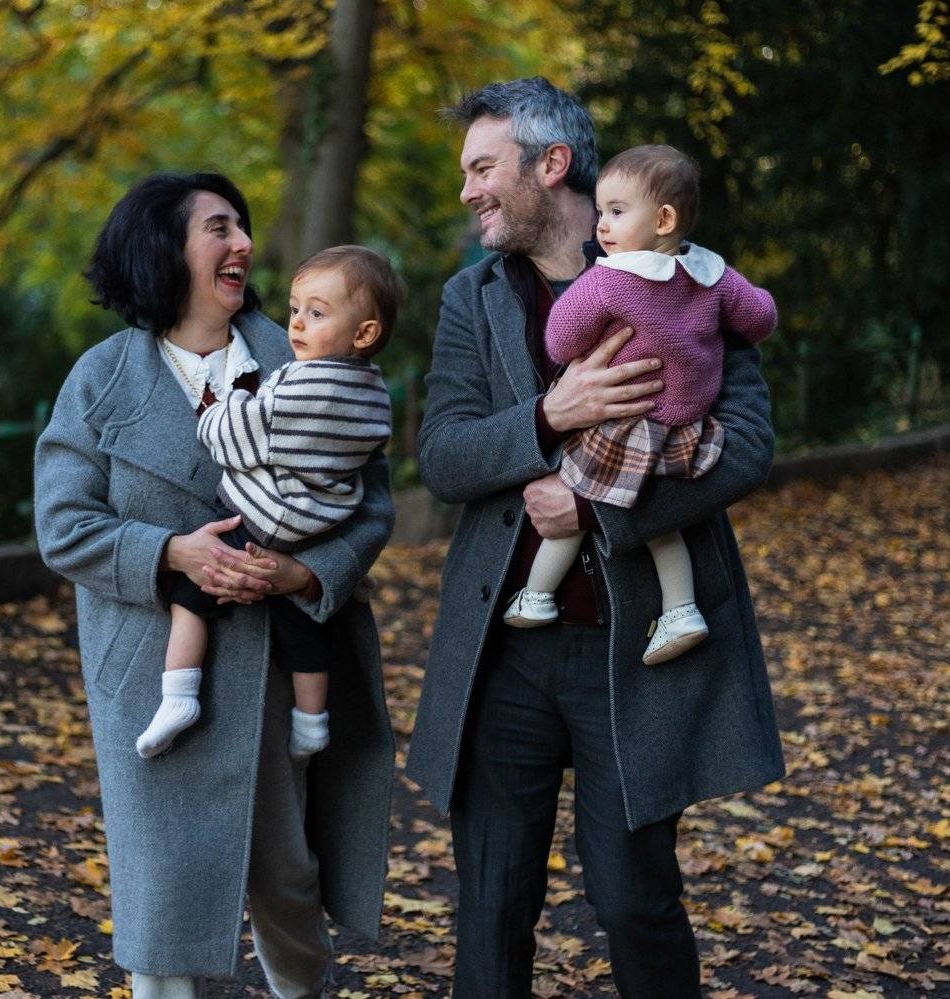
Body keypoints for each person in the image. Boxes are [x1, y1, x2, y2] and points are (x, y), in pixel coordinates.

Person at [404, 77, 786, 998]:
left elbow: (746, 445)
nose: (467, 190)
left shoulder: (690, 278)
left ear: (552, 164)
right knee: (492, 903)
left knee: (634, 901)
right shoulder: (471, 297)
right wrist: (550, 415)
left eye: (482, 168)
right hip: (505, 647)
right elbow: (442, 455)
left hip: (640, 641)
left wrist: (597, 507)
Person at [34, 172, 395, 999]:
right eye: (219, 227)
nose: (243, 244)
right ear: (164, 249)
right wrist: (172, 553)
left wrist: (304, 572)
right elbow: (63, 525)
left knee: (288, 875)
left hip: (280, 665)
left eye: (242, 226)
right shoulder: (99, 377)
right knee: (159, 896)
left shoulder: (309, 352)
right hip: (152, 676)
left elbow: (372, 505)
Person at [501, 144, 777, 671]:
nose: (602, 226)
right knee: (659, 526)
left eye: (617, 211)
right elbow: (760, 318)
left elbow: (560, 340)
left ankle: (536, 596)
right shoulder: (712, 275)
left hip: (624, 425)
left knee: (573, 495)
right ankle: (682, 610)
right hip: (687, 427)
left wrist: (586, 315)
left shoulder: (610, 280)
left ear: (664, 219)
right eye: (601, 211)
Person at [136, 245, 402, 761]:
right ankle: (312, 722)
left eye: (316, 313)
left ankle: (178, 695)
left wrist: (221, 406)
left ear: (364, 333)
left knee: (190, 597)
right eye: (296, 309)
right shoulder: (372, 391)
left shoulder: (305, 382)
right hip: (316, 524)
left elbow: (238, 436)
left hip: (259, 518)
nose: (297, 323)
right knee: (304, 626)